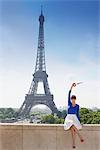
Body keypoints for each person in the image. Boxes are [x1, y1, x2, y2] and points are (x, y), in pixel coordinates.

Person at [64, 83, 84, 149]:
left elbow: (78, 114)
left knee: (72, 129)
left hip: (74, 118)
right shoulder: (69, 103)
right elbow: (68, 93)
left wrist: (79, 121)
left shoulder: (77, 106)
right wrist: (71, 87)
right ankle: (80, 136)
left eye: (74, 99)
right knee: (72, 125)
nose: (73, 99)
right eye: (72, 98)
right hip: (69, 118)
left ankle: (74, 143)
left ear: (75, 99)